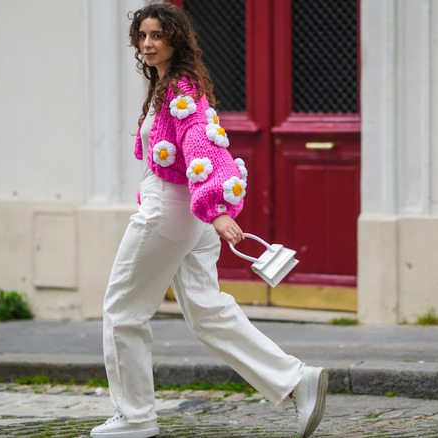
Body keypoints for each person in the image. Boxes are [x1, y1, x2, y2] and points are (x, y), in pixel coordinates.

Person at [90, 4, 328, 438]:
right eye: (142, 36)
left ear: (175, 39)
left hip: (171, 212)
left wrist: (217, 209)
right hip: (189, 217)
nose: (148, 44)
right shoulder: (169, 85)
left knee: (122, 310)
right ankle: (296, 380)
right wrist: (208, 212)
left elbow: (202, 144)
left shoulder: (181, 88)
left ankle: (135, 417)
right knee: (207, 311)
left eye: (158, 35)